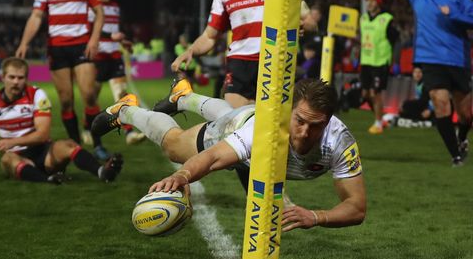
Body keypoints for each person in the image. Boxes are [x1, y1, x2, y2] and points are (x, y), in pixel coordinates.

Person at [92, 77, 366, 231]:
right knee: (175, 147)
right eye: (300, 121)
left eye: (315, 125)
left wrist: (317, 216)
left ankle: (183, 97)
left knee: (230, 111)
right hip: (241, 125)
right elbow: (212, 158)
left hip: (245, 116)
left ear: (328, 120)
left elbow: (356, 207)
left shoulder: (340, 142)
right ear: (288, 112)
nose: (305, 132)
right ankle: (126, 110)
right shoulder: (265, 131)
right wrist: (183, 175)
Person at [171, 0, 308, 108]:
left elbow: (307, 17)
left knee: (272, 126)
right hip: (239, 64)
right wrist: (190, 51)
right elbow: (210, 36)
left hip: (274, 60)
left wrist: (303, 23)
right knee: (235, 123)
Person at [0, 57, 123, 184]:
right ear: (3, 78)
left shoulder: (36, 95)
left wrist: (12, 141)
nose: (15, 82)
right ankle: (48, 180)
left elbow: (42, 134)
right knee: (7, 159)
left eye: (20, 78)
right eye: (11, 77)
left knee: (68, 144)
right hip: (17, 157)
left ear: (26, 79)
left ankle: (102, 172)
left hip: (43, 153)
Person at [15, 0, 105, 157]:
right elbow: (36, 16)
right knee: (66, 101)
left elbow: (99, 13)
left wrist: (94, 40)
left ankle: (98, 144)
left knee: (89, 95)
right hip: (57, 48)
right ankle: (75, 145)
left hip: (82, 45)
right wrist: (24, 42)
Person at [396, 0, 473, 166]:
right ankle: (456, 155)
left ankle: (462, 137)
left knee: (465, 113)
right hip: (431, 60)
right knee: (440, 103)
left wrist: (456, 15)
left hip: (458, 59)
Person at [87, 0, 145, 148]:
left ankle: (129, 132)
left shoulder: (115, 6)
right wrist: (111, 35)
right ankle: (86, 128)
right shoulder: (92, 7)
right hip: (98, 58)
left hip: (114, 56)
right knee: (91, 99)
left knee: (121, 94)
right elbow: (89, 29)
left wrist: (124, 41)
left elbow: (115, 32)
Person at [360, 0, 399, 134]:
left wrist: (395, 61)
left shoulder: (386, 19)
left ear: (378, 2)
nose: (369, 3)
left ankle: (378, 123)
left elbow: (396, 41)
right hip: (366, 61)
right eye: (367, 1)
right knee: (365, 95)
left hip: (380, 62)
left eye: (372, 0)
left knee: (375, 93)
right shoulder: (363, 19)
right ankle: (380, 118)